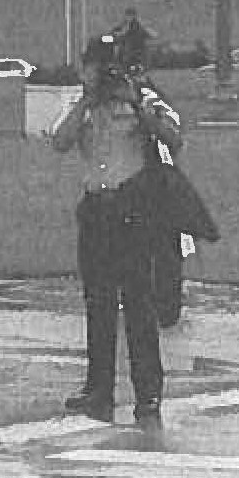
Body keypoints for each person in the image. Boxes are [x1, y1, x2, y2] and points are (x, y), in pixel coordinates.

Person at [50, 32, 200, 423]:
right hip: (95, 210)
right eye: (93, 67)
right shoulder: (83, 105)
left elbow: (174, 138)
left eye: (102, 67)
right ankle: (98, 390)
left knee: (138, 304)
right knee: (98, 304)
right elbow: (59, 141)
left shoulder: (143, 98)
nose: (97, 74)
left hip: (131, 212)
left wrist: (136, 104)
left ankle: (148, 393)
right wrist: (86, 101)